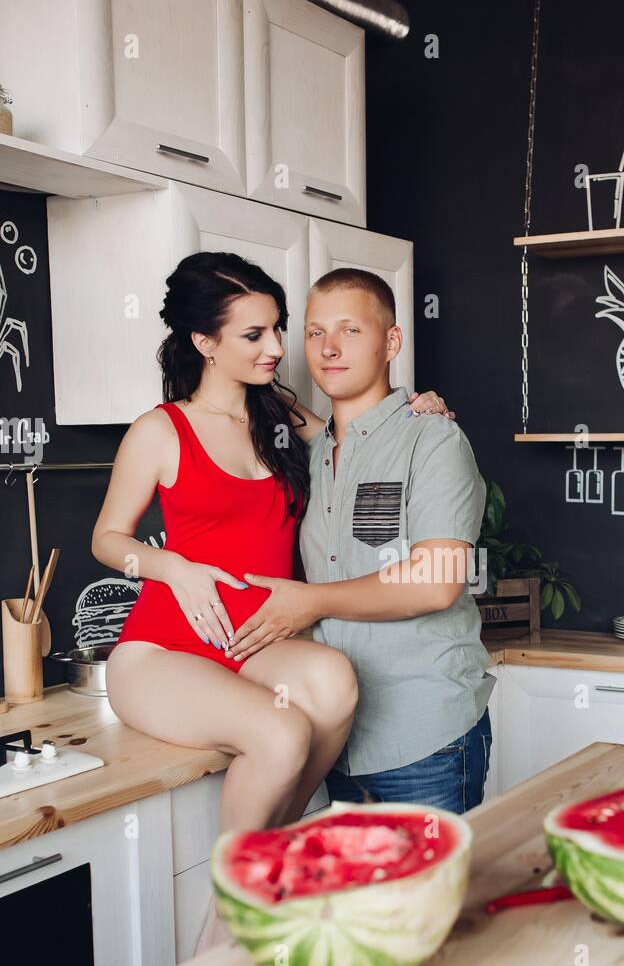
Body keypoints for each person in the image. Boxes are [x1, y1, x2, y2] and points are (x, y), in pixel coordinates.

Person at [93, 252, 454, 845]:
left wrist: (419, 411)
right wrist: (173, 567)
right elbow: (107, 539)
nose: (279, 347)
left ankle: (268, 859)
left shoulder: (279, 414)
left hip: (252, 637)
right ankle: (236, 912)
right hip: (165, 645)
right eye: (255, 334)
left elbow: (362, 436)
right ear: (206, 342)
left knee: (336, 682)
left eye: (279, 328)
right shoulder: (160, 429)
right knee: (281, 732)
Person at [226, 268, 495, 814]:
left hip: (425, 741)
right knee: (352, 903)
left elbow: (437, 583)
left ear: (391, 341)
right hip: (335, 743)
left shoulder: (432, 438)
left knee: (427, 903)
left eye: (350, 331)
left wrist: (311, 603)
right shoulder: (307, 454)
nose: (328, 348)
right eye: (315, 332)